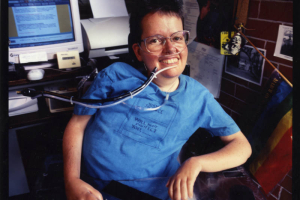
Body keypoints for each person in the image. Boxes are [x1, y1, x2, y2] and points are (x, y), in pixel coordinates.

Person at [63, 1, 252, 200]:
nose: (171, 48)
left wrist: (196, 163)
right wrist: (71, 180)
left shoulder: (198, 97)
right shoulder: (115, 76)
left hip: (150, 195)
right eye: (156, 40)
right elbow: (77, 124)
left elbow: (242, 147)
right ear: (138, 51)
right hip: (90, 190)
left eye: (177, 37)